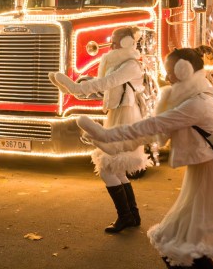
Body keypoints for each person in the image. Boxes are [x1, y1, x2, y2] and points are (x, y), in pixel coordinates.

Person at [76, 47, 213, 269]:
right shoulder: (199, 95)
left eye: (170, 71)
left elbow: (153, 125)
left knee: (181, 250)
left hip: (212, 186)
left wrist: (107, 135)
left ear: (185, 70)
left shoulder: (198, 103)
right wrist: (111, 145)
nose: (166, 76)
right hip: (205, 181)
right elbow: (155, 134)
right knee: (183, 250)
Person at [48, 26, 151, 233]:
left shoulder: (130, 65)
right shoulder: (121, 64)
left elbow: (107, 83)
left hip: (126, 119)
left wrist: (75, 88)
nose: (110, 44)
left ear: (126, 44)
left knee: (107, 169)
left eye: (115, 41)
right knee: (117, 169)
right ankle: (132, 215)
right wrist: (77, 86)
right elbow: (104, 84)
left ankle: (125, 216)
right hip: (119, 116)